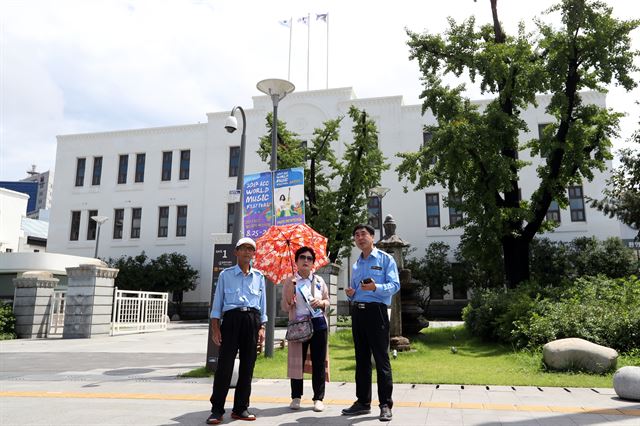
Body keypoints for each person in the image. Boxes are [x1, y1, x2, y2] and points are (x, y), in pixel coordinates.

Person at [342, 224, 400, 422]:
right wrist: (351, 294)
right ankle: (362, 402)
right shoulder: (356, 263)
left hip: (377, 313)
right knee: (362, 359)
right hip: (358, 313)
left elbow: (395, 286)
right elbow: (357, 289)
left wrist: (376, 287)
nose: (359, 238)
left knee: (381, 359)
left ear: (372, 237)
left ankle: (385, 404)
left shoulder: (385, 259)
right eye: (356, 235)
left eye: (363, 234)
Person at [207, 237, 267, 425]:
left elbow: (262, 305)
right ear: (236, 252)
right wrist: (216, 328)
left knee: (248, 366)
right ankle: (217, 409)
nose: (247, 252)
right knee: (224, 366)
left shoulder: (259, 277)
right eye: (243, 249)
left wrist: (262, 327)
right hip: (231, 320)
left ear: (254, 254)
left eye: (251, 249)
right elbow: (217, 305)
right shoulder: (226, 275)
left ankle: (241, 407)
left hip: (252, 321)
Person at [280, 247, 331, 412]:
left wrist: (321, 302)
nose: (306, 260)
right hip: (298, 325)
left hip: (318, 324)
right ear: (296, 261)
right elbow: (285, 306)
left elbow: (327, 301)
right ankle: (296, 397)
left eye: (310, 258)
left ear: (313, 263)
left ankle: (318, 398)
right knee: (297, 362)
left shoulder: (318, 281)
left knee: (318, 362)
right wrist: (291, 291)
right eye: (302, 257)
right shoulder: (290, 281)